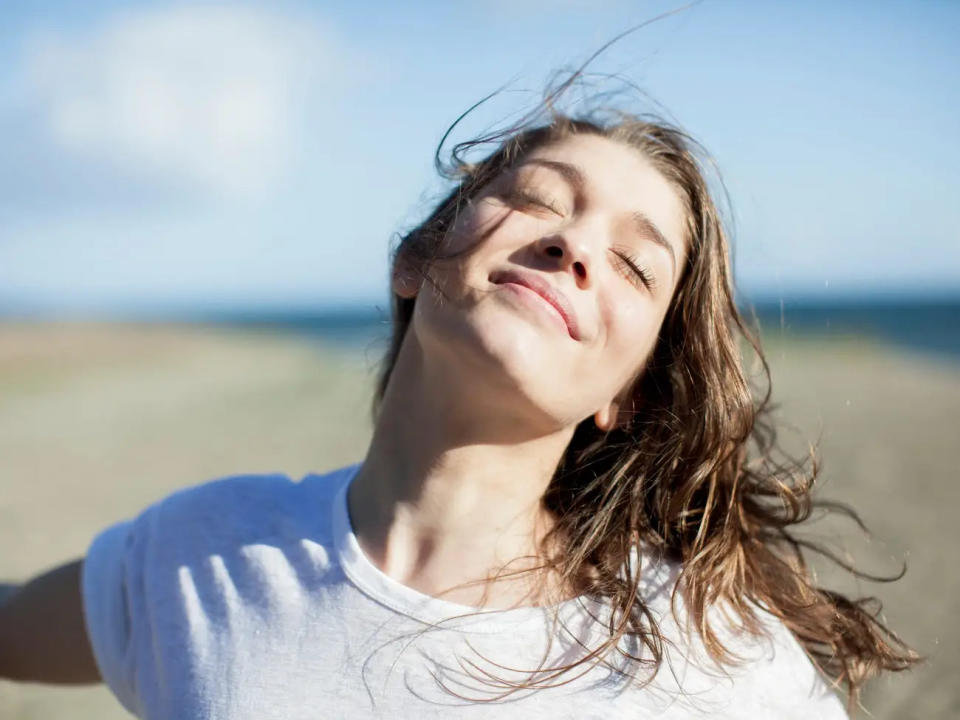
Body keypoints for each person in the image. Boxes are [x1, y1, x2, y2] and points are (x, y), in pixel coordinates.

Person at [0, 104, 916, 718]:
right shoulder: (196, 557)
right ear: (418, 260)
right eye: (534, 201)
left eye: (636, 265)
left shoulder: (719, 661)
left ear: (626, 392)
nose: (572, 244)